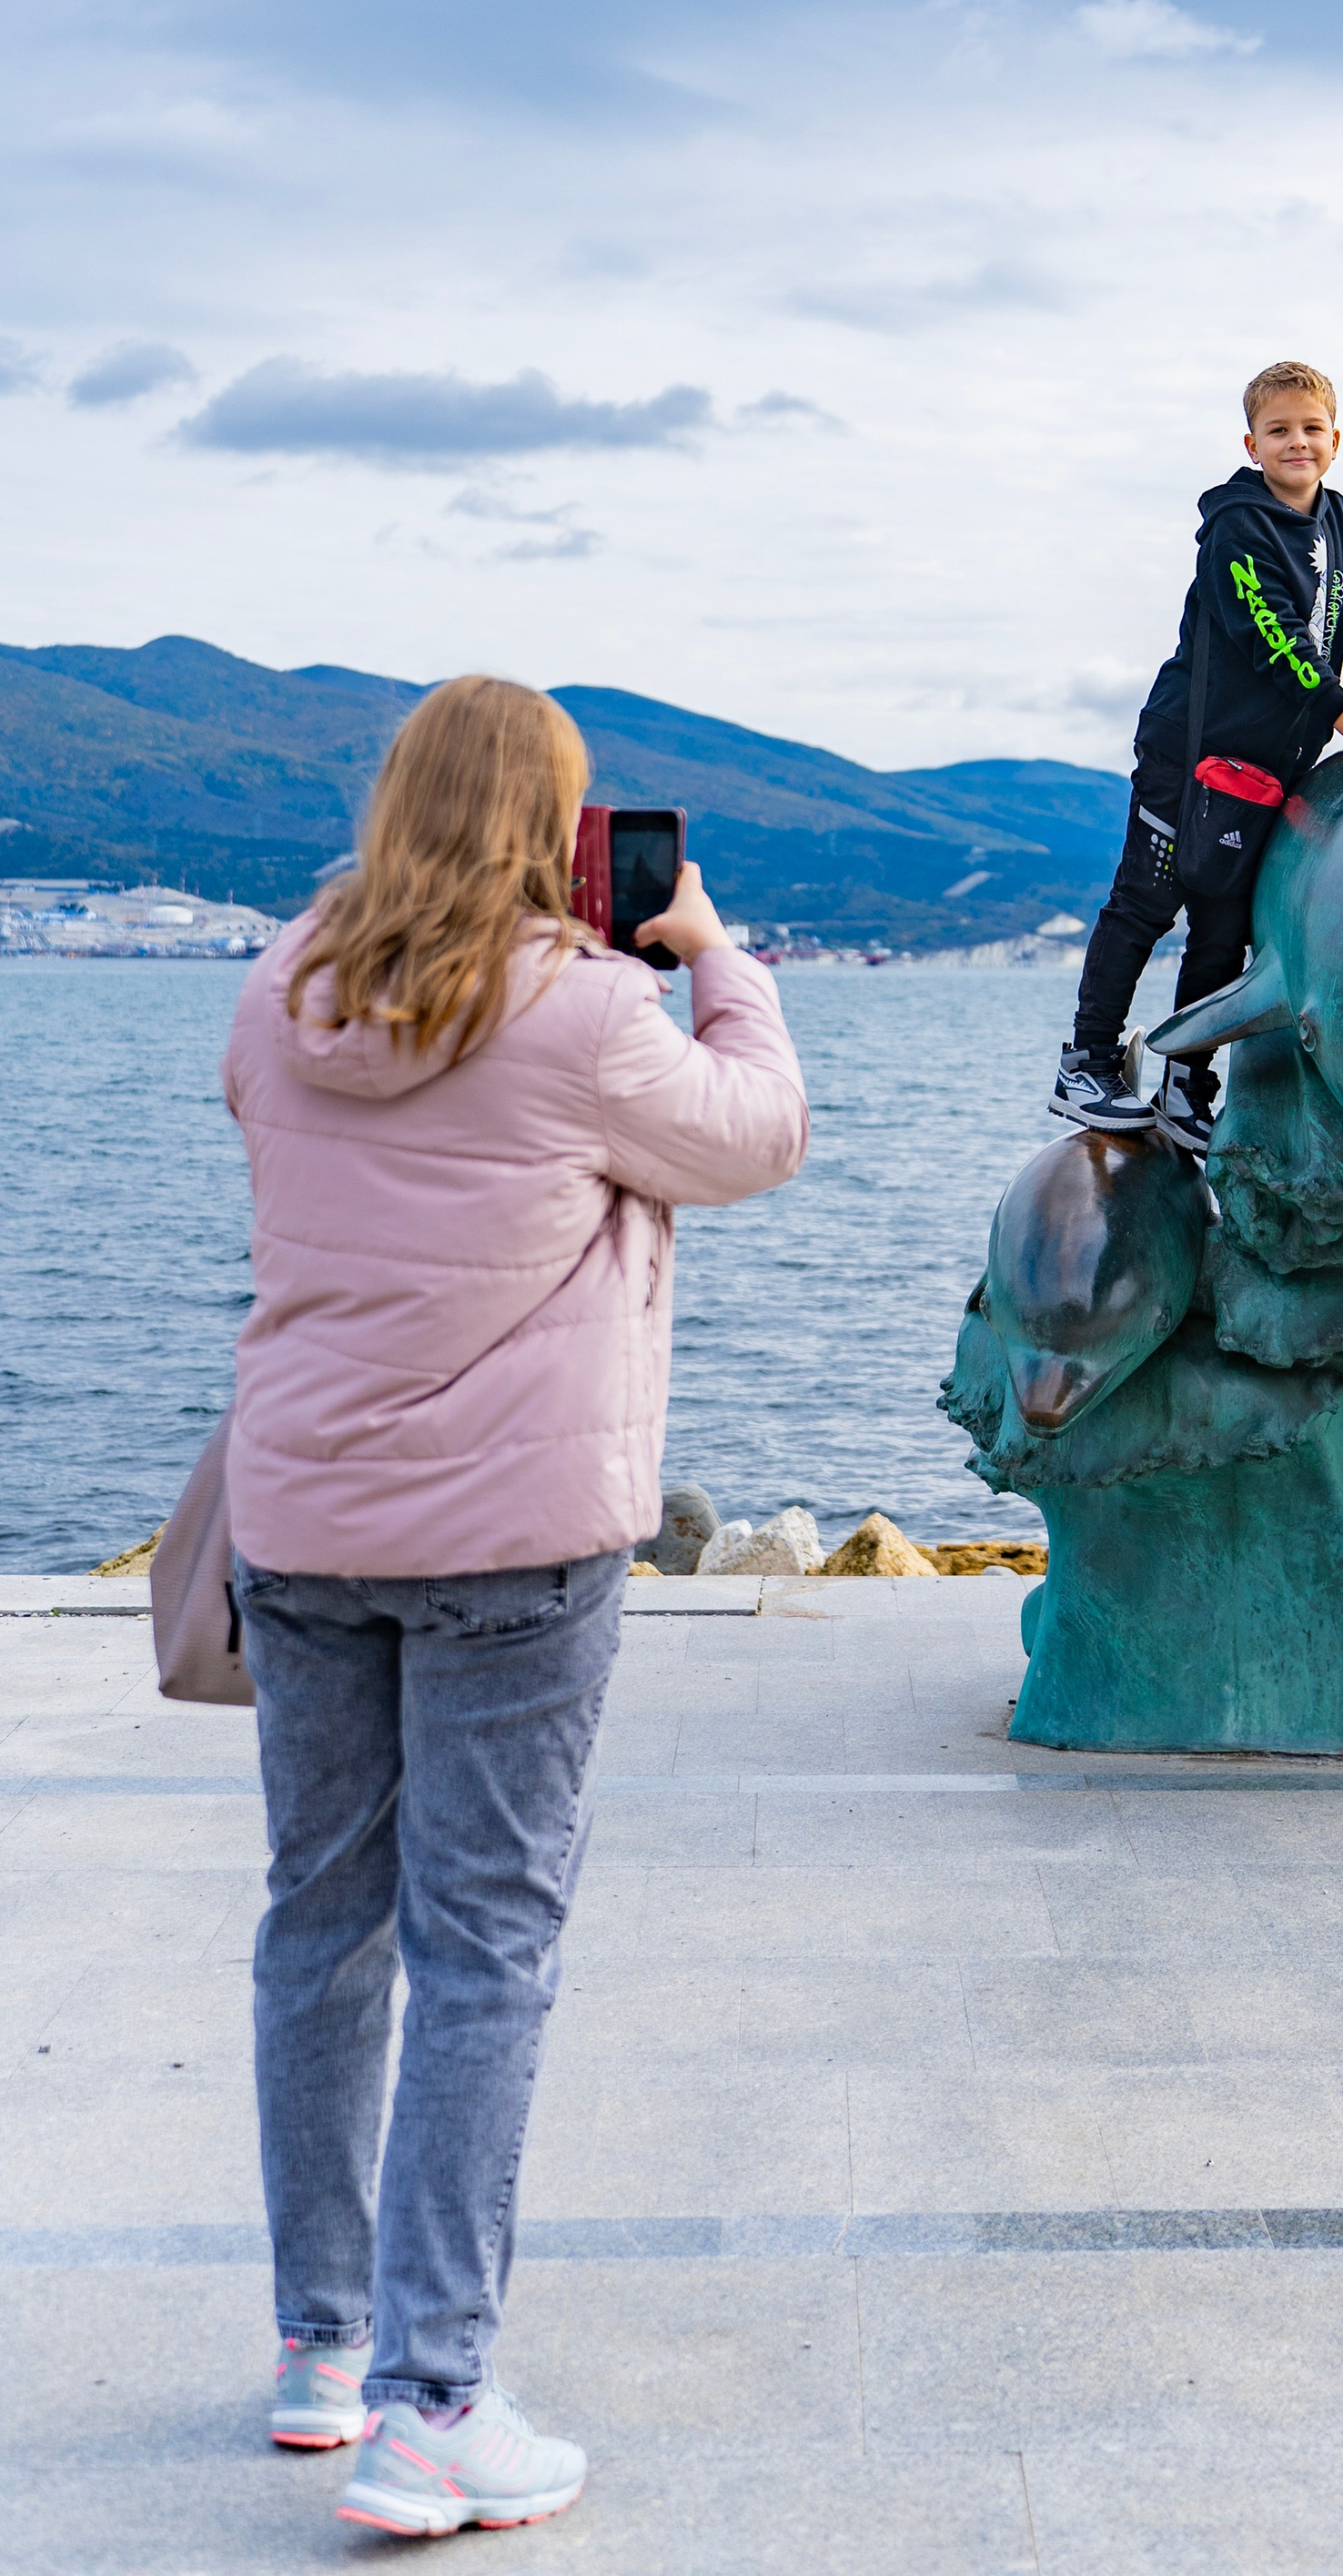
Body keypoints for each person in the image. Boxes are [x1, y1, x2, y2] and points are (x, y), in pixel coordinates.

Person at [219, 674, 808, 2540]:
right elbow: (756, 1132)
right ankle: (434, 2400)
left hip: (302, 1527)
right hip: (510, 1547)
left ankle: (325, 2347)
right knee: (482, 1941)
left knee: (322, 1922)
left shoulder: (276, 988)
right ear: (560, 834)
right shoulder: (580, 1010)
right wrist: (713, 951)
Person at [1053, 360, 1343, 1157]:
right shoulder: (1238, 530)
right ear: (1252, 443)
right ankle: (1086, 1065)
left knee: (1223, 928)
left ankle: (1185, 1084)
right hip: (1189, 753)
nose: (1296, 443)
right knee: (1144, 904)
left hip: (1266, 771)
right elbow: (1271, 633)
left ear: (1335, 442)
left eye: (1311, 430)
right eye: (1279, 431)